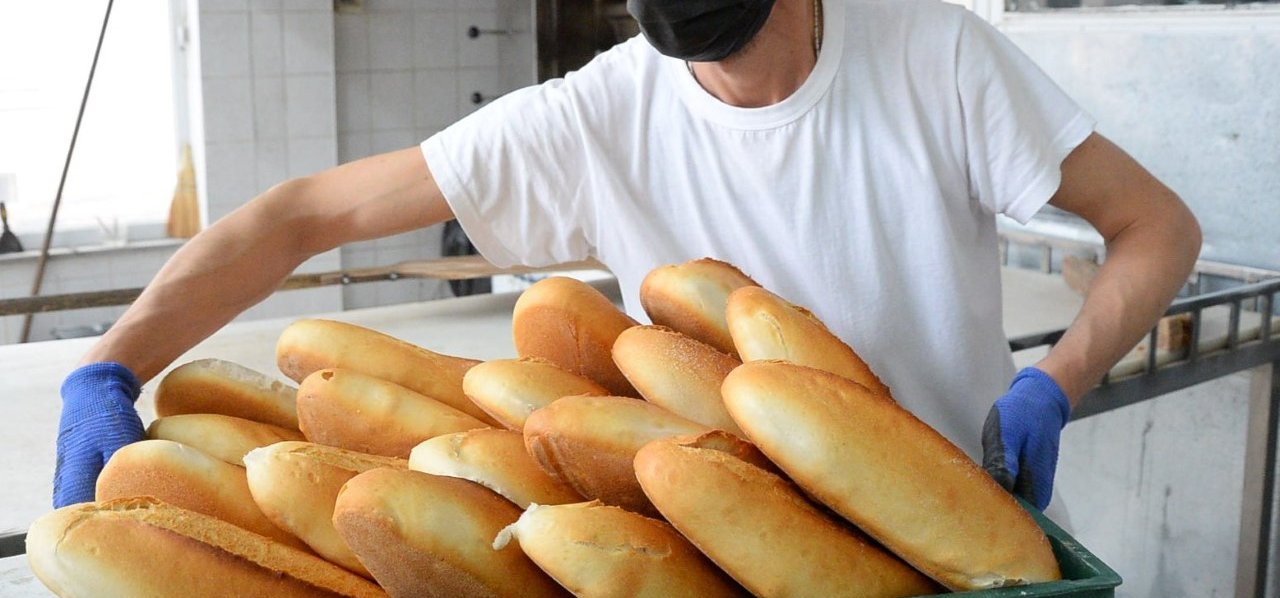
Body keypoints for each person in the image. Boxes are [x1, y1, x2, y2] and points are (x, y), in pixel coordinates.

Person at [54, 0, 1200, 514]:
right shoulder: (597, 118)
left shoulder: (936, 56)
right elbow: (301, 214)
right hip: (717, 553)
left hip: (943, 529)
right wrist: (105, 367)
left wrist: (1053, 379)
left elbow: (1154, 226)